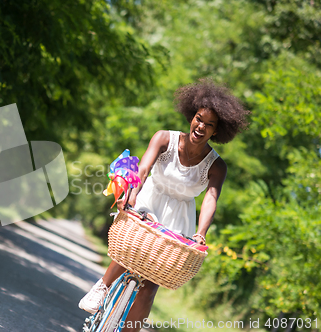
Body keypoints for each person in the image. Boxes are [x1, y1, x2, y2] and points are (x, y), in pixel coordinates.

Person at [79, 79, 250, 332]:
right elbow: (144, 167)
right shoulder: (164, 138)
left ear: (216, 131)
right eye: (199, 119)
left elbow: (211, 199)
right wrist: (132, 193)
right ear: (191, 116)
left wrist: (201, 233)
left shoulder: (217, 165)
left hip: (179, 218)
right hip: (148, 200)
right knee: (131, 249)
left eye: (209, 125)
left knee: (149, 288)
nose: (201, 126)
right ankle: (102, 286)